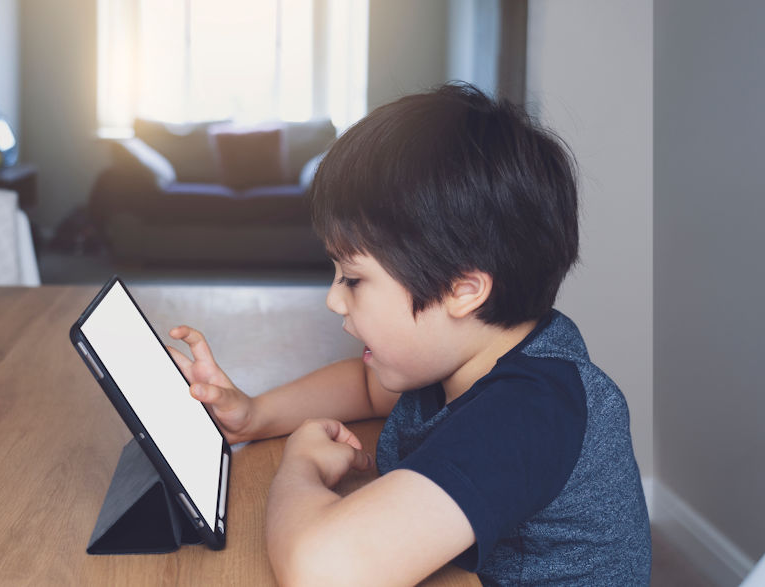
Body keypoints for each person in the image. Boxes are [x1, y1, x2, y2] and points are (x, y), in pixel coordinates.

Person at [166, 83, 651, 585]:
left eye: (353, 279)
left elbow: (322, 572)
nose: (334, 299)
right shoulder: (464, 352)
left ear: (462, 291)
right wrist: (255, 416)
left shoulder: (529, 412)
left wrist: (300, 468)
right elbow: (366, 384)